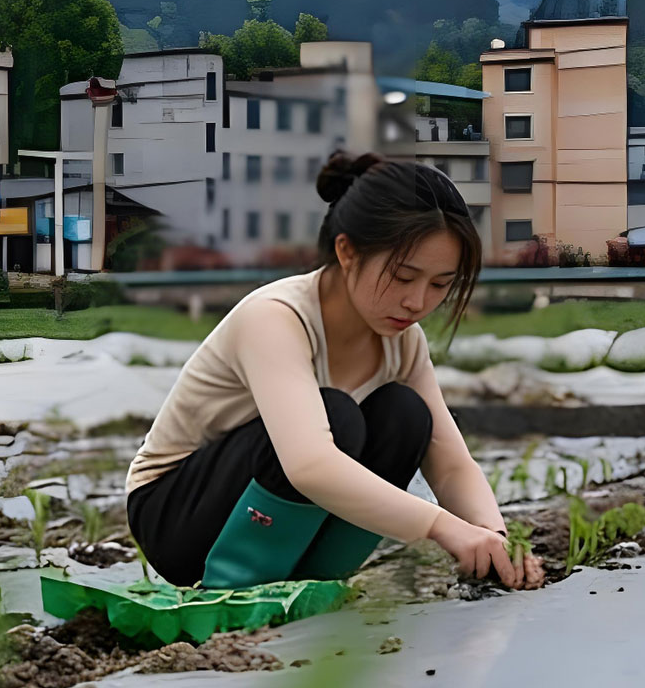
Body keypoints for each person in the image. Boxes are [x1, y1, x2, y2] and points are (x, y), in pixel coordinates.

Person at [126, 152, 545, 591]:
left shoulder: (403, 342)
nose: (417, 302)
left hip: (266, 502)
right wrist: (442, 527)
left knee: (406, 415)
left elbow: (451, 464)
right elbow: (309, 466)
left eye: (441, 284)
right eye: (403, 276)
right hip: (175, 513)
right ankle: (232, 586)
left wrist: (494, 538)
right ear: (347, 251)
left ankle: (319, 580)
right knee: (337, 417)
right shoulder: (276, 317)